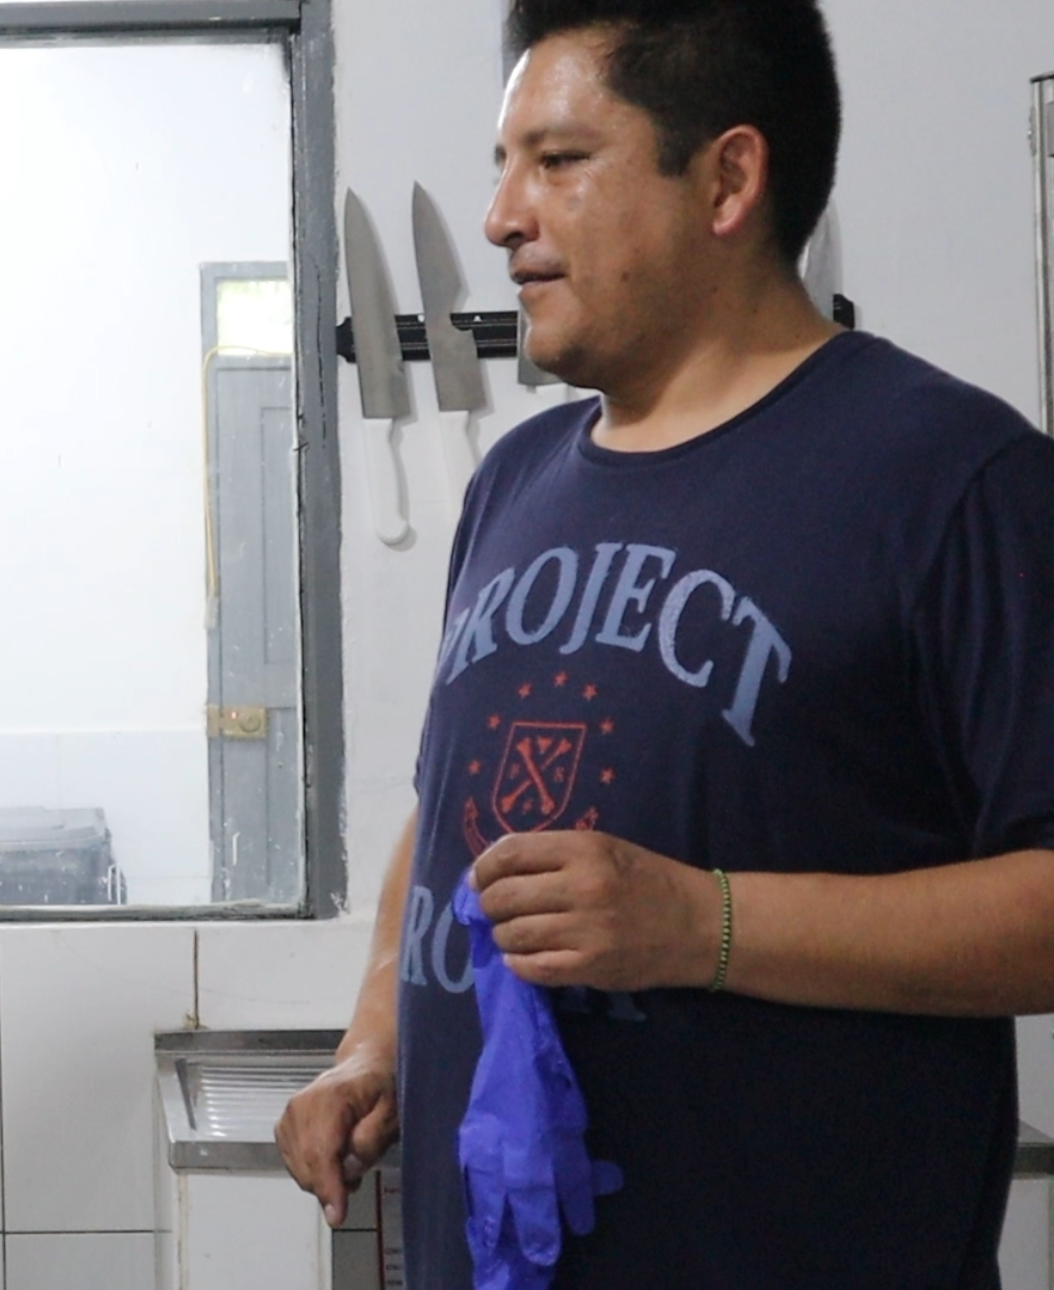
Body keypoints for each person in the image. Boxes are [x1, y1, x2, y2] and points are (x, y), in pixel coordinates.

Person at [277, 2, 1054, 1286]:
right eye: (502, 166)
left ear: (726, 180)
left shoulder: (950, 481)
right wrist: (375, 1045)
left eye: (558, 161)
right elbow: (446, 807)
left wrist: (703, 923)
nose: (500, 217)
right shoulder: (514, 480)